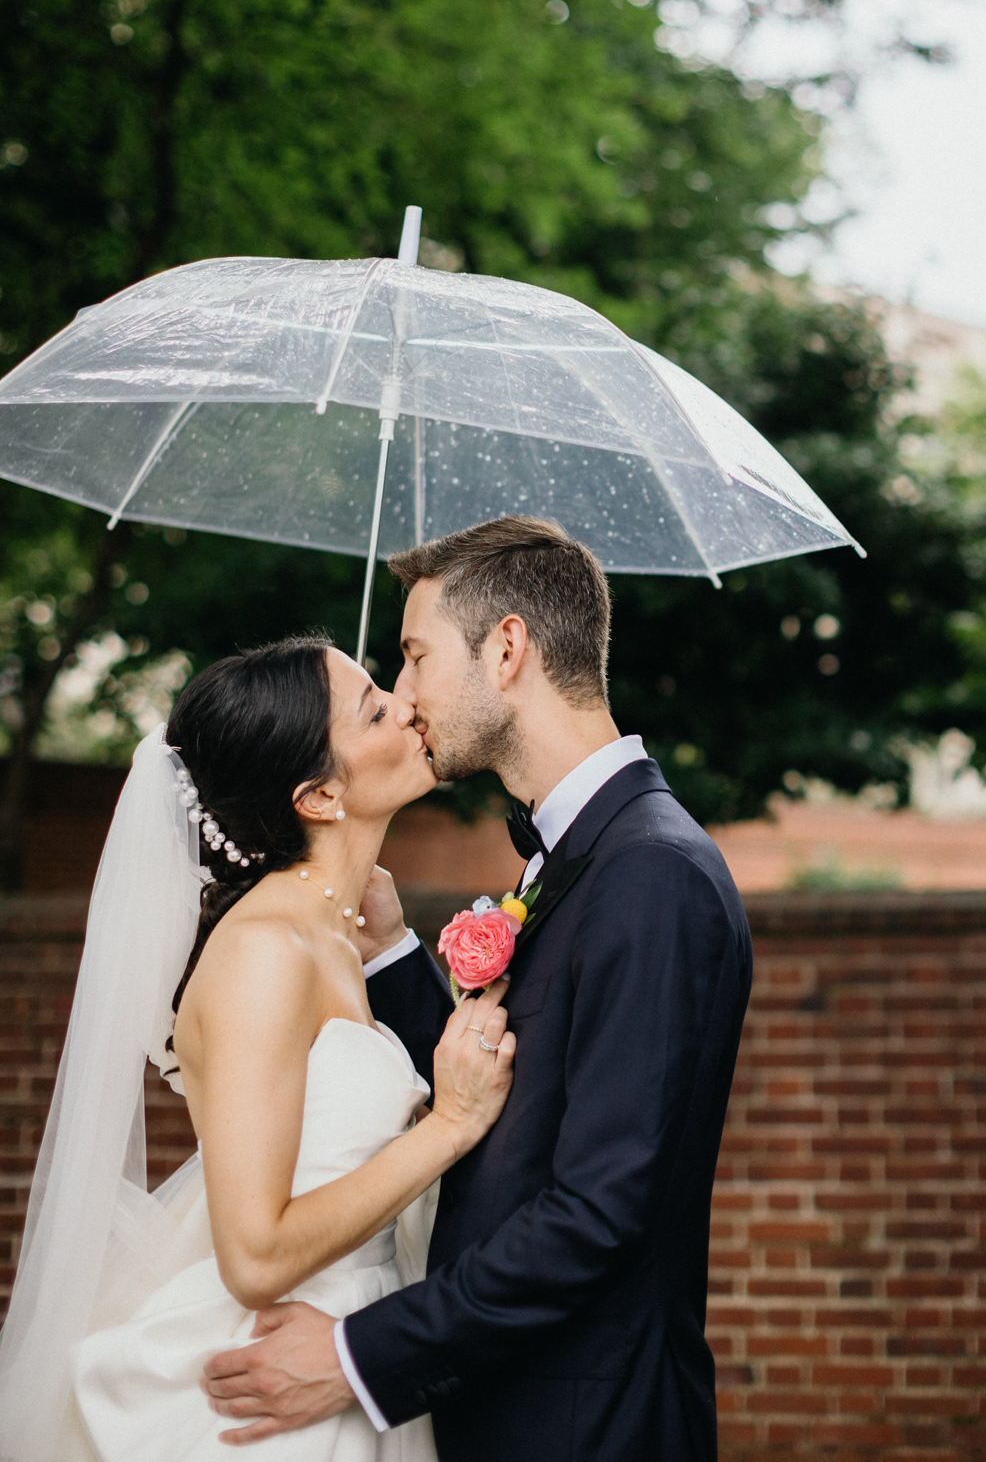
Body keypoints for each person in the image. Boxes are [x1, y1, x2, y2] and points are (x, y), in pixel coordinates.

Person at [203, 517, 754, 1462]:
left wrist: (354, 1358)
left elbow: (598, 1212)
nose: (406, 695)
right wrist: (391, 956)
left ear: (506, 648)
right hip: (504, 1415)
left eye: (415, 657)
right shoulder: (572, 857)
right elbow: (507, 1091)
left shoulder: (653, 872)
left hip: (589, 1426)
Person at [0, 635, 515, 1462]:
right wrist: (446, 1127)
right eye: (375, 709)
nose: (408, 705)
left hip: (354, 1348)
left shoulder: (333, 939)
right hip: (273, 1394)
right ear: (316, 796)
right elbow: (255, 1254)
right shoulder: (265, 952)